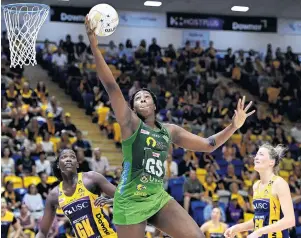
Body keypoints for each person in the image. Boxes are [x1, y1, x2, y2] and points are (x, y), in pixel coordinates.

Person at [85, 16, 255, 238]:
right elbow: (111, 85)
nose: (142, 99)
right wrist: (95, 46)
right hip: (130, 201)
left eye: (146, 97)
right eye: (138, 98)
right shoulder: (130, 123)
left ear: (155, 104)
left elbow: (209, 144)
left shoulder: (170, 130)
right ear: (133, 108)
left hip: (157, 197)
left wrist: (233, 126)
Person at [36, 149, 117, 238]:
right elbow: (42, 232)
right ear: (58, 165)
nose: (68, 159)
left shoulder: (91, 178)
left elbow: (124, 197)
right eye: (64, 157)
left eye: (72, 157)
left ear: (77, 164)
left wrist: (109, 201)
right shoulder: (54, 195)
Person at [224, 144, 295, 238]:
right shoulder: (256, 186)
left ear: (271, 162)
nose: (256, 157)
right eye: (256, 154)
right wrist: (238, 228)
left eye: (261, 154)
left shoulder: (279, 183)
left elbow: (290, 220)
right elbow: (259, 219)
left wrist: (259, 232)